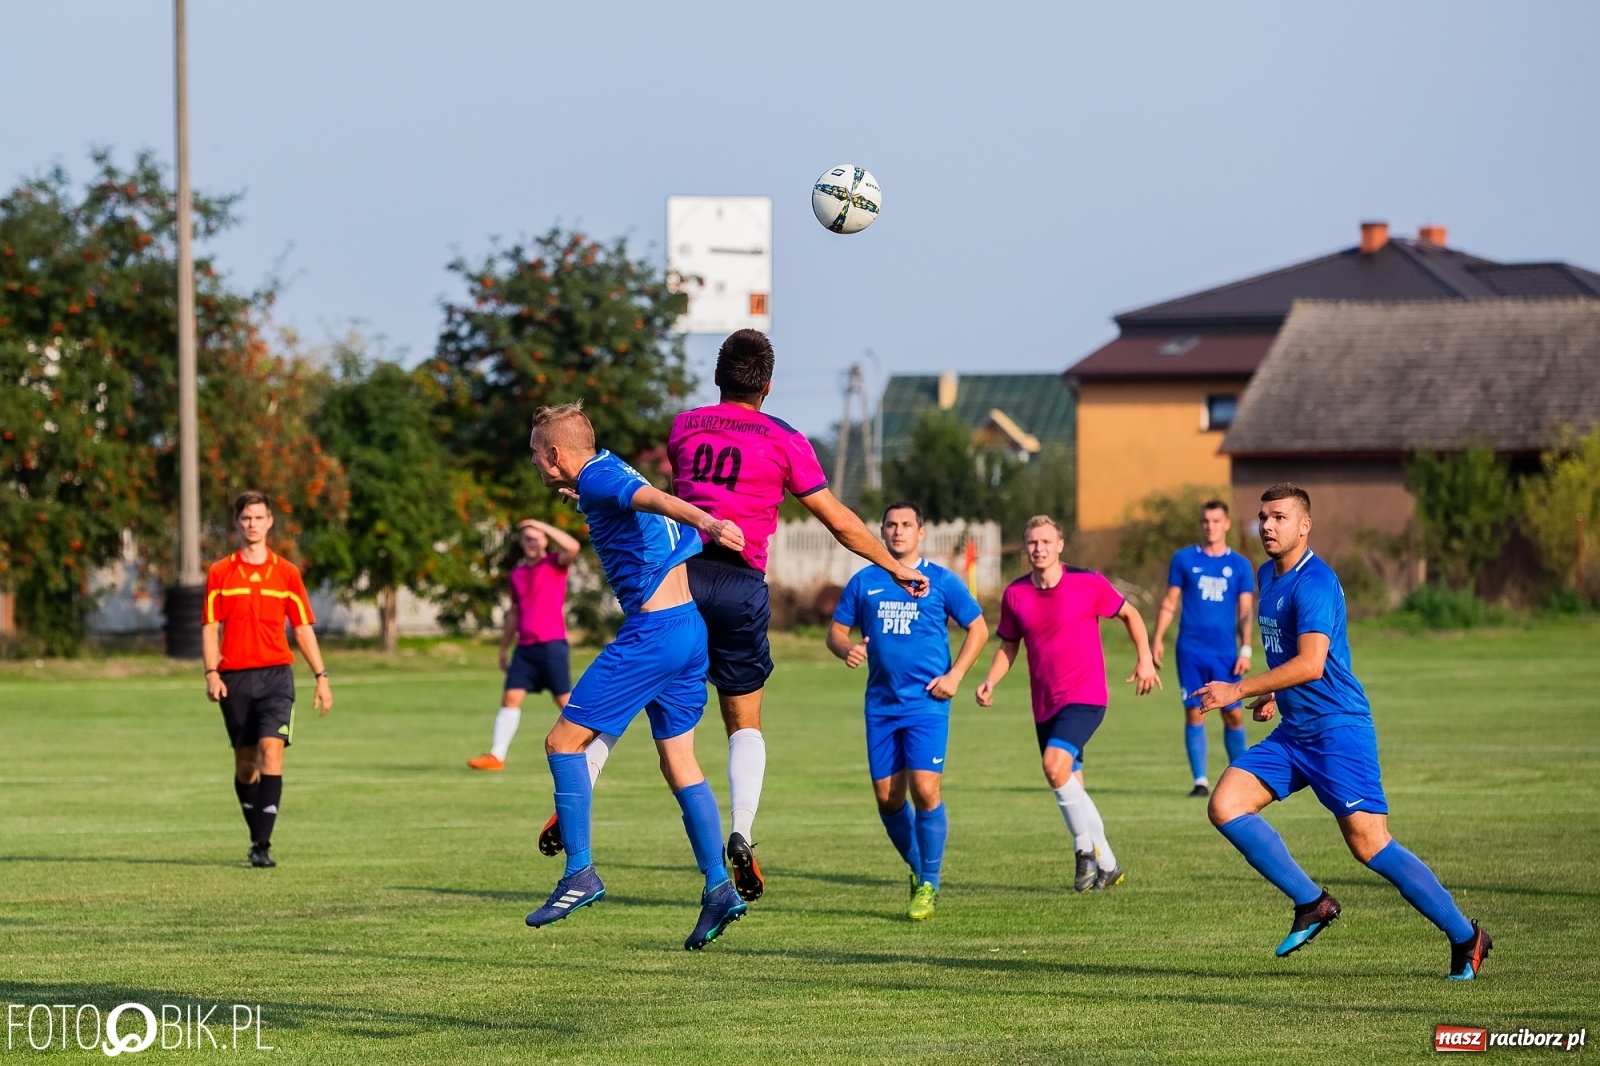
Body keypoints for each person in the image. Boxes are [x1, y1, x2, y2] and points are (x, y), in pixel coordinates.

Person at [538, 329, 928, 904]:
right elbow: (839, 521)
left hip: (686, 578)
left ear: (717, 377)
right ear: (767, 387)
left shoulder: (684, 427)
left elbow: (653, 498)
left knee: (650, 706)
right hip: (742, 585)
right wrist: (891, 564)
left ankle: (580, 791)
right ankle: (741, 830)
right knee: (743, 724)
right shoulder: (786, 439)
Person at [1198, 483, 1492, 978]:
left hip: (1338, 731)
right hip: (1296, 731)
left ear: (1305, 525)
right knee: (1226, 804)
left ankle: (1467, 936)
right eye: (1263, 517)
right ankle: (1311, 902)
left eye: (1280, 518)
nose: (1268, 526)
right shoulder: (1267, 574)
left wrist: (1241, 689)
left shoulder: (1314, 582)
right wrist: (1275, 693)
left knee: (1370, 845)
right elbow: (1296, 657)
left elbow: (1313, 664)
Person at [521, 402, 749, 951]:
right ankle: (718, 887)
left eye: (536, 454)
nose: (535, 464)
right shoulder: (609, 470)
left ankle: (580, 872)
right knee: (679, 761)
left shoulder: (602, 478)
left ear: (555, 454)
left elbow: (657, 501)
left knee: (561, 742)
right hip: (689, 629)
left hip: (654, 634)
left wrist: (708, 521)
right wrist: (589, 503)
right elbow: (639, 506)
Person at [975, 515, 1160, 892]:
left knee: (1053, 765)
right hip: (1045, 704)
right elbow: (1009, 645)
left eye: (1046, 541)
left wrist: (1144, 658)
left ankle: (1083, 851)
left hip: (1087, 696)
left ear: (1059, 545)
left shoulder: (1087, 582)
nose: (1038, 549)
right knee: (1069, 781)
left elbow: (1130, 613)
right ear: (1025, 548)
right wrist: (990, 680)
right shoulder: (1015, 594)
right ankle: (1107, 863)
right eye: (1032, 543)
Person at [826, 502, 989, 921]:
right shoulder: (865, 581)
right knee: (887, 797)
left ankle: (929, 883)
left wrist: (955, 675)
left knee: (926, 789)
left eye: (906, 525)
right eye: (891, 525)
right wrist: (848, 649)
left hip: (927, 704)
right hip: (880, 705)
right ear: (881, 531)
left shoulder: (940, 581)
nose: (897, 531)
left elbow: (979, 627)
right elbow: (836, 633)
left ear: (921, 532)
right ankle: (918, 870)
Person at [201, 490, 333, 868]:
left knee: (271, 751)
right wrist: (211, 671)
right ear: (237, 523)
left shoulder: (287, 573)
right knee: (246, 765)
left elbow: (303, 628)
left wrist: (321, 676)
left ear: (270, 521)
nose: (253, 524)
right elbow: (210, 627)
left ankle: (262, 844)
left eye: (259, 517)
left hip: (277, 676)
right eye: (246, 518)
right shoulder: (220, 573)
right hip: (235, 679)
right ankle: (256, 836)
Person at [1152, 499, 1256, 796]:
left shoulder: (1240, 565)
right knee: (1195, 711)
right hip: (1190, 650)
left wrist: (1246, 649)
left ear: (1226, 524)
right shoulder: (1184, 559)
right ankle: (1200, 780)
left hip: (1226, 653)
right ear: (1202, 524)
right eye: (1206, 521)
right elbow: (1170, 602)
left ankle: (1242, 779)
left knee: (1232, 714)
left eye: (1216, 521)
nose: (1210, 526)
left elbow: (1245, 611)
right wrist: (1157, 638)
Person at [467, 518, 582, 771]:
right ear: (522, 543)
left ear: (545, 541)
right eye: (527, 538)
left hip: (552, 645)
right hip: (525, 648)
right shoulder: (517, 574)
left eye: (537, 538)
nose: (532, 543)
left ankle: (588, 748)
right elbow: (514, 613)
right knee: (510, 697)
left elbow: (573, 547)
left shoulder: (554, 564)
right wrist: (503, 648)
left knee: (565, 701)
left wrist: (543, 525)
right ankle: (496, 756)